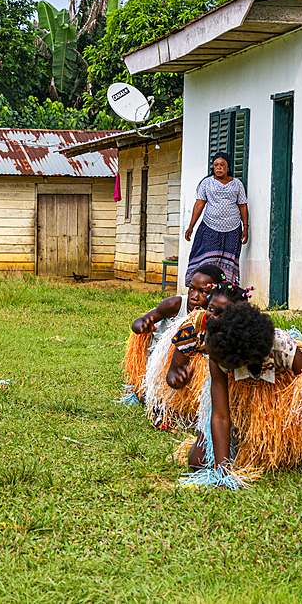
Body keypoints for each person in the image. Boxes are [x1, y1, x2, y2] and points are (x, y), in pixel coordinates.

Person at [176, 302, 302, 490]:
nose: (210, 358)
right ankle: (243, 442)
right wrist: (223, 470)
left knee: (284, 460)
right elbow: (220, 416)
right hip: (240, 399)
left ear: (240, 361)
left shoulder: (283, 348)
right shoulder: (216, 350)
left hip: (278, 399)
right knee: (197, 461)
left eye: (217, 359)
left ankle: (276, 443)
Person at [142, 280, 251, 430]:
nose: (214, 316)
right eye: (211, 309)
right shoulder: (194, 326)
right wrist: (178, 381)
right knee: (165, 417)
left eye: (223, 313)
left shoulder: (245, 334)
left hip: (230, 389)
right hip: (196, 393)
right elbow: (172, 372)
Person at [119, 263, 226, 406]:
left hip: (186, 362)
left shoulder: (215, 316)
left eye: (203, 292)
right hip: (160, 362)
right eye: (191, 289)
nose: (194, 296)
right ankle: (142, 388)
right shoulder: (175, 304)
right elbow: (138, 322)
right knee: (154, 402)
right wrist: (143, 327)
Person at [184, 152, 249, 283]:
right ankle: (203, 287)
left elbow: (243, 206)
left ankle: (225, 292)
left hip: (233, 230)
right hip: (210, 227)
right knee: (207, 260)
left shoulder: (237, 184)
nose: (219, 167)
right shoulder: (206, 183)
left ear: (228, 167)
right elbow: (199, 204)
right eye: (216, 165)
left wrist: (245, 227)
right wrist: (191, 226)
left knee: (228, 262)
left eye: (222, 165)